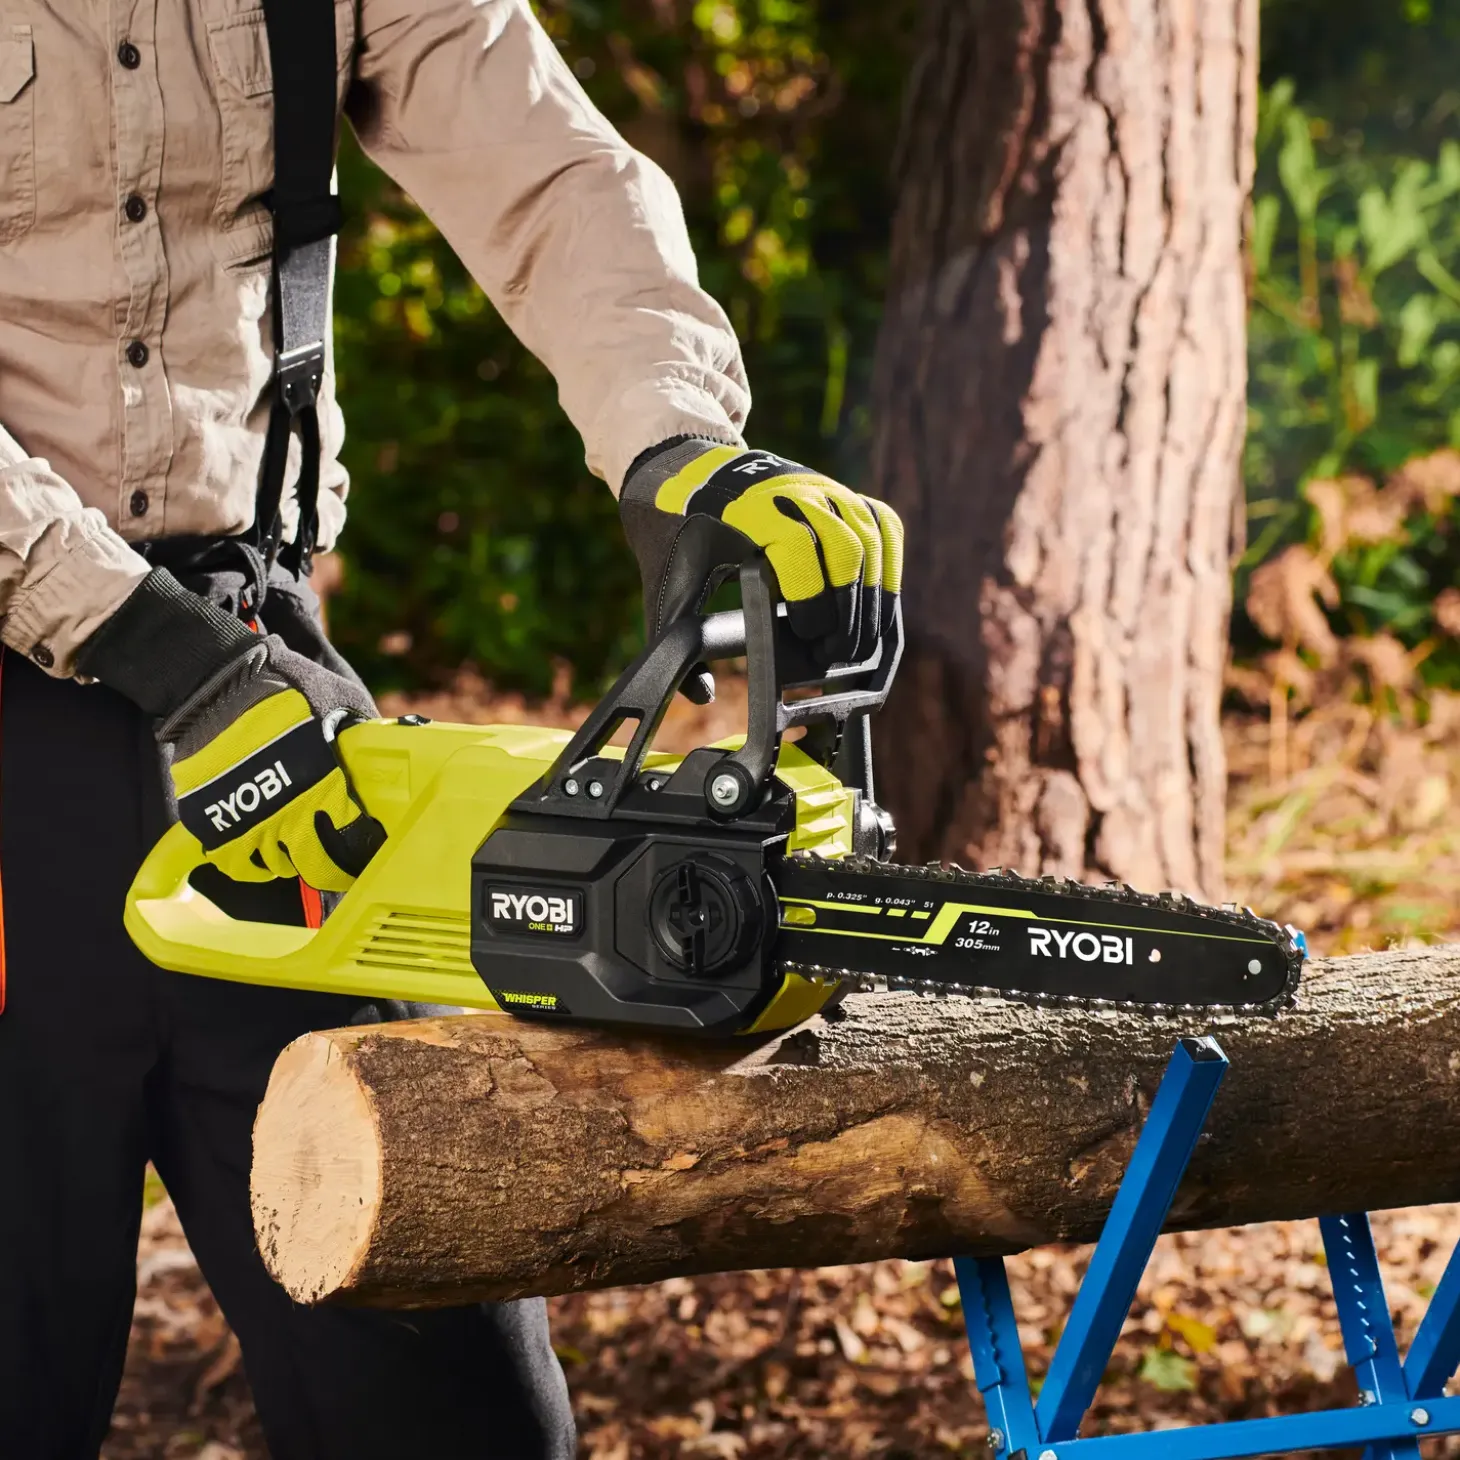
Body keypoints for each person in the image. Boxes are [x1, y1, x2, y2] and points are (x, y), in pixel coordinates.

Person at [0, 2, 902, 1457]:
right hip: (68, 659)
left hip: (257, 683)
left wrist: (676, 443)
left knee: (435, 1368)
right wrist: (142, 643)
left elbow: (551, 172)